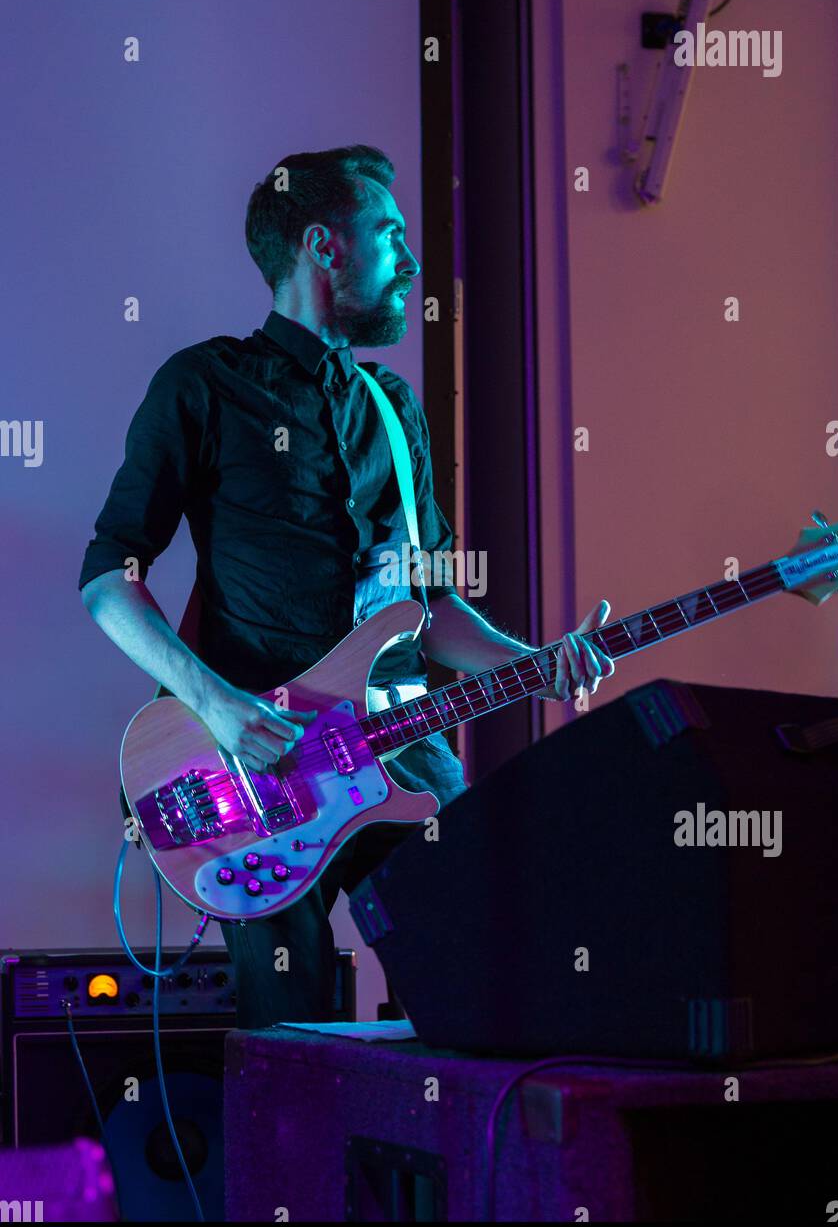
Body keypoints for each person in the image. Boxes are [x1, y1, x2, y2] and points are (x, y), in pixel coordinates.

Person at [80, 144, 615, 1027]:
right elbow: (109, 578)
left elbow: (429, 607)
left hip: (400, 742)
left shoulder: (396, 414)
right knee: (288, 1025)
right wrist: (214, 705)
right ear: (324, 247)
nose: (410, 262)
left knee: (475, 979)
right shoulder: (204, 387)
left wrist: (536, 659)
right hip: (259, 766)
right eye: (390, 236)